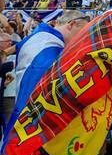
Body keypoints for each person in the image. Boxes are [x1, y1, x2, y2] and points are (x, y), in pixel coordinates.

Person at [3, 11, 89, 144]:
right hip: (32, 123)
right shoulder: (50, 48)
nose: (82, 39)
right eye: (82, 32)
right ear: (72, 24)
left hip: (23, 114)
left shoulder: (39, 35)